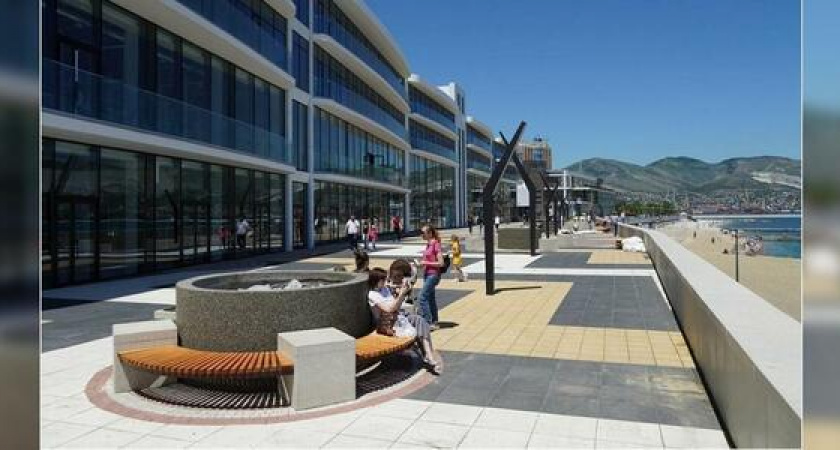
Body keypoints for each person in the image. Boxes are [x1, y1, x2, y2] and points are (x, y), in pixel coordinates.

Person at [367, 268, 441, 374]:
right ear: (376, 281)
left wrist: (403, 292)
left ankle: (429, 356)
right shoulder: (372, 295)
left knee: (420, 321)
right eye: (383, 280)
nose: (385, 282)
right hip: (387, 324)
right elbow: (389, 309)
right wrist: (401, 294)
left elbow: (396, 306)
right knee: (418, 324)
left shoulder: (385, 289)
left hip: (399, 317)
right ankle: (428, 358)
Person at [415, 224, 443, 330]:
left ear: (430, 233)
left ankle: (428, 321)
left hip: (433, 275)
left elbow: (441, 263)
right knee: (431, 298)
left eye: (423, 233)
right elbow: (427, 262)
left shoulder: (436, 244)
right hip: (427, 274)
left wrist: (425, 262)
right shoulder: (428, 245)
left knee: (422, 297)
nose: (421, 235)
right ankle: (434, 322)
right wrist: (419, 264)